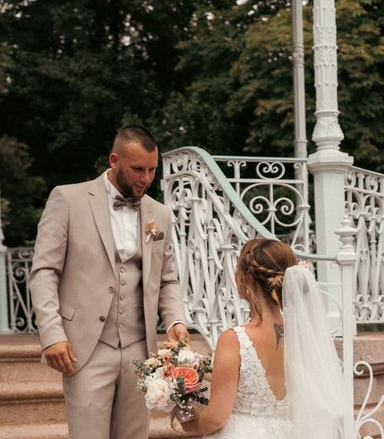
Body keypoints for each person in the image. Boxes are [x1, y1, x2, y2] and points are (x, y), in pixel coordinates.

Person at [28, 125, 190, 439]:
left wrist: (176, 320)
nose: (145, 178)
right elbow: (44, 272)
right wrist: (51, 334)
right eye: (138, 169)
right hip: (85, 346)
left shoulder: (161, 214)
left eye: (152, 170)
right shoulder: (68, 199)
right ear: (114, 160)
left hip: (139, 349)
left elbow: (167, 279)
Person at [180, 238, 351, 439]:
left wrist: (192, 423)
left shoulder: (234, 339)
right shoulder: (303, 336)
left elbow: (217, 418)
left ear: (245, 280)